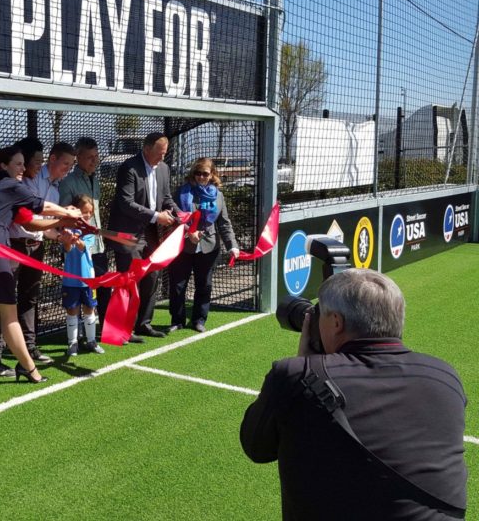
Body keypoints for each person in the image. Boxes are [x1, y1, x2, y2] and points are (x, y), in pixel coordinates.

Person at [240, 269, 467, 520]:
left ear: (336, 323)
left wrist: (305, 366)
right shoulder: (445, 376)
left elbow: (255, 447)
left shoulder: (294, 375)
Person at [0, 146, 80, 387]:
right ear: (4, 166)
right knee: (10, 315)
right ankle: (29, 369)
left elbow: (30, 221)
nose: (23, 169)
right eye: (17, 164)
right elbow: (40, 205)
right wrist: (68, 211)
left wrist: (61, 220)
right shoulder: (9, 185)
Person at [107, 132, 181, 342]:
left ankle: (143, 324)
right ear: (147, 149)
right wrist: (157, 216)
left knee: (152, 277)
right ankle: (123, 328)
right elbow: (126, 203)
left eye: (165, 154)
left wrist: (180, 214)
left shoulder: (164, 169)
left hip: (150, 233)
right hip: (128, 233)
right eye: (159, 153)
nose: (162, 158)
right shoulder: (129, 168)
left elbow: (166, 198)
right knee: (129, 279)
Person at [9, 139, 76, 365]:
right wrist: (63, 217)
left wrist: (60, 236)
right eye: (66, 163)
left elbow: (45, 227)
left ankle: (28, 347)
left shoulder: (55, 190)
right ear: (52, 159)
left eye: (71, 165)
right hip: (14, 244)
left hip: (35, 246)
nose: (68, 169)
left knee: (30, 297)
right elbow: (31, 220)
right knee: (5, 300)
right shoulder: (30, 178)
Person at [168, 158, 239, 333]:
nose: (201, 177)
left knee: (204, 285)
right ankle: (177, 320)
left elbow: (224, 223)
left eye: (205, 174)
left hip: (209, 247)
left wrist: (233, 245)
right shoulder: (182, 193)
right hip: (183, 246)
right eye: (197, 173)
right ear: (193, 174)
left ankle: (199, 319)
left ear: (212, 175)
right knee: (178, 285)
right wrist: (188, 233)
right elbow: (175, 218)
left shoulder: (218, 196)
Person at [59, 136, 110, 324]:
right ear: (78, 157)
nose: (95, 161)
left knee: (102, 288)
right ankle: (77, 333)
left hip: (97, 246)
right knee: (77, 292)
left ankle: (103, 328)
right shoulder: (68, 182)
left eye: (96, 156)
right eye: (90, 157)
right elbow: (64, 215)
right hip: (77, 247)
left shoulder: (95, 180)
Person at [61, 194, 104, 357]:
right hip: (71, 280)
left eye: (90, 212)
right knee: (72, 311)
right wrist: (67, 240)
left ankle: (91, 341)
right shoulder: (67, 228)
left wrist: (76, 239)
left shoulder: (91, 231)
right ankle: (72, 343)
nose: (87, 215)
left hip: (88, 280)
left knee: (90, 309)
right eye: (84, 211)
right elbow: (67, 249)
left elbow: (83, 247)